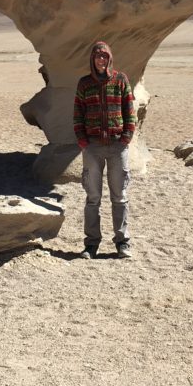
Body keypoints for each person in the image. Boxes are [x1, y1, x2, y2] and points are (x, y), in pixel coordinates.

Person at [73, 40, 136, 259]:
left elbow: (130, 110)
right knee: (93, 197)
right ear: (92, 59)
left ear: (110, 58)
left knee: (119, 196)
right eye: (97, 56)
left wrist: (126, 137)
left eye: (104, 56)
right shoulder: (84, 84)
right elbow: (77, 115)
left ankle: (122, 242)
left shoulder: (120, 80)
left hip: (117, 146)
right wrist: (83, 142)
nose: (101, 60)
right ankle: (91, 244)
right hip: (92, 148)